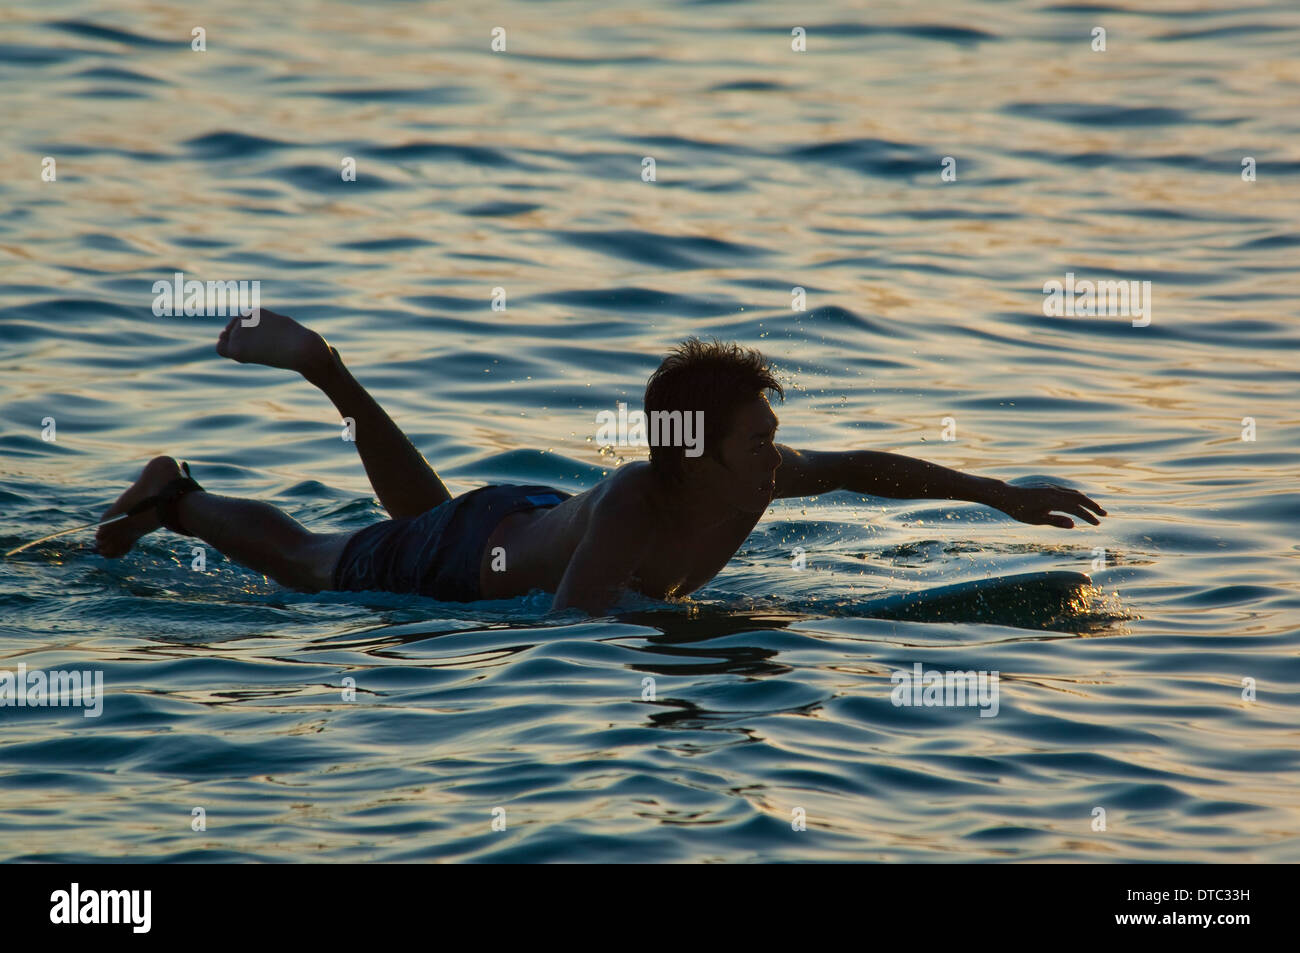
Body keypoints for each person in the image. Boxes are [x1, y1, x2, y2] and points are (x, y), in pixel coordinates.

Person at [96, 310, 1106, 615]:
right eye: (755, 439)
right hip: (486, 552)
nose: (776, 457)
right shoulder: (635, 497)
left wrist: (998, 494)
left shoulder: (749, 469)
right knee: (320, 560)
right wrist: (711, 617)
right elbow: (576, 614)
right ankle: (178, 495)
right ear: (696, 451)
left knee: (425, 520)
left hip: (518, 520)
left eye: (770, 437)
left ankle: (334, 379)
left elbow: (865, 467)